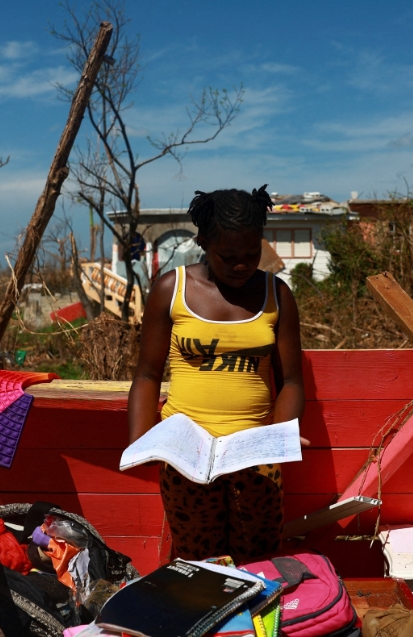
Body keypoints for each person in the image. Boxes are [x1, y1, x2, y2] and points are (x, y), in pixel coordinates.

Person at [127, 185, 304, 561]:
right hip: (186, 457)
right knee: (200, 566)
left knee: (259, 565)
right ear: (203, 242)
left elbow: (290, 381)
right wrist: (142, 443)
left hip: (254, 459)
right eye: (228, 257)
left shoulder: (277, 295)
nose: (241, 265)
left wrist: (279, 438)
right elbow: (147, 375)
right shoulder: (170, 290)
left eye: (252, 254)